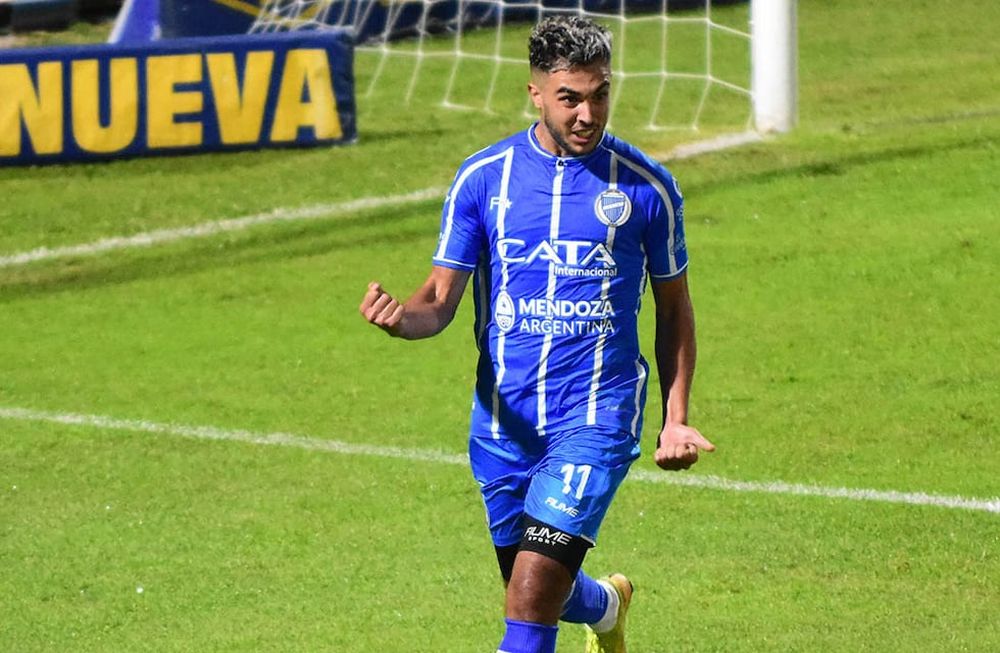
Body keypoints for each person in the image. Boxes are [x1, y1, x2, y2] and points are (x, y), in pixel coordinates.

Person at [359, 14, 715, 653]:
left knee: (529, 594)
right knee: (537, 583)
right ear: (536, 93)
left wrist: (675, 416)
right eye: (570, 98)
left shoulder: (646, 188)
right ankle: (606, 605)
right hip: (502, 423)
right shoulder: (483, 180)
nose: (587, 114)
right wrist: (400, 321)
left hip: (597, 416)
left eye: (600, 94)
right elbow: (438, 299)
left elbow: (674, 308)